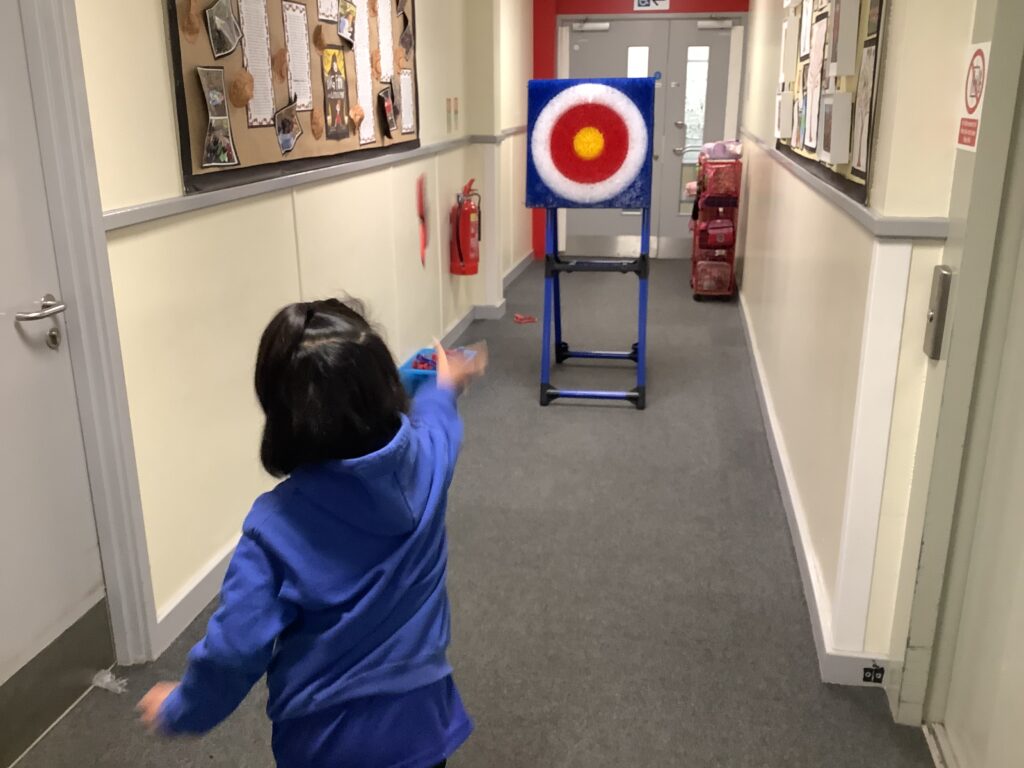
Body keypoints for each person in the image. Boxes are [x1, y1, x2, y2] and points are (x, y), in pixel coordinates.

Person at [137, 298, 486, 768]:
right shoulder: (428, 462)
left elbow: (234, 651)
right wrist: (445, 385)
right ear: (386, 386)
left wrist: (180, 709)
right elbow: (439, 420)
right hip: (422, 726)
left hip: (326, 742)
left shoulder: (274, 527)